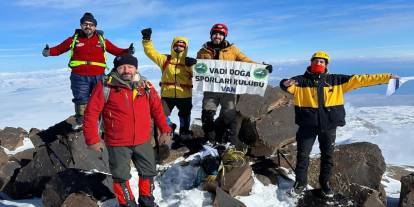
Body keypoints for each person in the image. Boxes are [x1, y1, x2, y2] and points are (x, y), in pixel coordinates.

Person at [279, 51, 399, 198]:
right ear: (311, 63)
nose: (318, 63)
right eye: (316, 61)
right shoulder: (300, 81)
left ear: (326, 64)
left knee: (327, 157)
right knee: (303, 155)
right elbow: (287, 86)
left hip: (329, 127)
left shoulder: (337, 80)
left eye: (322, 62)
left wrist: (387, 77)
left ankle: (325, 184)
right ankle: (300, 184)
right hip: (307, 126)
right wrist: (285, 82)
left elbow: (362, 79)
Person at [83, 54, 171, 207]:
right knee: (121, 176)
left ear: (135, 68)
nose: (126, 70)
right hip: (117, 142)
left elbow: (157, 110)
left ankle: (146, 200)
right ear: (116, 69)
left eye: (130, 66)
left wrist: (165, 130)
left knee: (148, 171)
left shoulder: (146, 86)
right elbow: (91, 113)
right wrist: (92, 139)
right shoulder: (106, 86)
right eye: (122, 67)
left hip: (143, 139)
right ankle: (127, 203)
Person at [42, 12, 134, 130]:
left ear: (95, 27)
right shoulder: (73, 39)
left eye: (91, 24)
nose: (88, 26)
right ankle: (82, 122)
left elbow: (116, 50)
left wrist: (128, 51)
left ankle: (103, 121)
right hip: (79, 76)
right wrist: (48, 52)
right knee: (81, 98)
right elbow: (59, 49)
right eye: (85, 24)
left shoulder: (101, 40)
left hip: (99, 76)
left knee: (101, 98)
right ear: (81, 25)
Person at [197, 23, 273, 144]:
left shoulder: (233, 50)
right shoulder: (202, 51)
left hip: (228, 89)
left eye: (221, 34)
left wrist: (262, 67)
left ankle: (228, 140)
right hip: (210, 89)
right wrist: (191, 64)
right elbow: (198, 69)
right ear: (211, 35)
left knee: (229, 115)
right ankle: (210, 141)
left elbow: (246, 61)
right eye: (215, 33)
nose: (217, 36)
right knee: (207, 115)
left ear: (225, 36)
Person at [141, 28, 197, 139]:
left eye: (182, 46)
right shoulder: (165, 59)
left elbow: (198, 74)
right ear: (173, 46)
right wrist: (146, 40)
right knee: (160, 114)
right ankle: (168, 127)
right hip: (167, 94)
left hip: (185, 94)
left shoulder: (188, 62)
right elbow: (150, 52)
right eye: (177, 45)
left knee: (185, 115)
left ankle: (184, 132)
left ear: (185, 48)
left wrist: (194, 65)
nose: (179, 47)